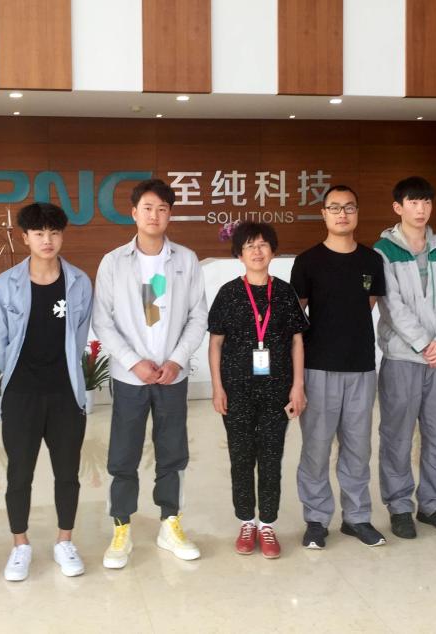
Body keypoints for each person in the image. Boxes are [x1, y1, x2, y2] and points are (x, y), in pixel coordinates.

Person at [92, 178, 208, 569]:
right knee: (123, 454)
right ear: (133, 213)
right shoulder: (113, 262)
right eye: (147, 208)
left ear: (170, 214)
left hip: (172, 377)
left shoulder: (186, 260)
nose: (154, 215)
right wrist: (133, 361)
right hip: (130, 379)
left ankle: (169, 523)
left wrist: (176, 359)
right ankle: (121, 527)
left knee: (173, 452)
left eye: (161, 208)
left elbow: (198, 316)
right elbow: (102, 320)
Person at [0, 202, 93, 579]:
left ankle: (65, 541)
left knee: (67, 472)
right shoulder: (5, 284)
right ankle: (20, 545)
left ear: (62, 236)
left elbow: (78, 337)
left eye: (54, 232)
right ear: (25, 237)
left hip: (65, 393)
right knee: (19, 473)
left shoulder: (79, 282)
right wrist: (22, 375)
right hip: (22, 394)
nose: (47, 240)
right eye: (39, 233)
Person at [290, 184, 388, 549]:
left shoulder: (371, 260)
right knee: (316, 449)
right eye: (335, 207)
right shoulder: (308, 261)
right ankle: (316, 519)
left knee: (358, 449)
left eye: (349, 207)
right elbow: (295, 317)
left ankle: (357, 517)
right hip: (319, 368)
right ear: (324, 214)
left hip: (361, 367)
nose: (342, 214)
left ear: (357, 212)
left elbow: (369, 304)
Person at [208, 222, 308, 559]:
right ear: (239, 254)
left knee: (270, 459)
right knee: (240, 458)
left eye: (263, 244)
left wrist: (297, 386)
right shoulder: (228, 294)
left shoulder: (285, 293)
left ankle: (266, 524)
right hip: (236, 391)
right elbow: (215, 344)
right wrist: (217, 388)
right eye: (249, 245)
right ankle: (246, 522)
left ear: (273, 252)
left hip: (277, 391)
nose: (257, 251)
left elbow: (296, 341)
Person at [374, 177, 436, 539]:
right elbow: (391, 305)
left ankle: (433, 504)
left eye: (426, 202)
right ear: (398, 207)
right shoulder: (384, 250)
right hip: (402, 358)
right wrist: (423, 343)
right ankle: (399, 507)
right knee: (397, 436)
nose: (421, 209)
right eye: (413, 202)